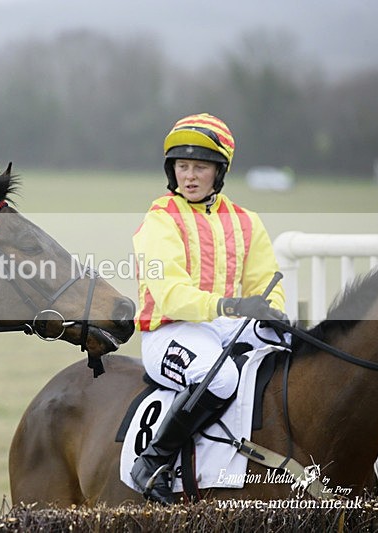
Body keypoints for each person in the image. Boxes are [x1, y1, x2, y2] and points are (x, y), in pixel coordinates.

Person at [130, 113, 287, 504]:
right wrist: (229, 305)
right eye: (182, 166)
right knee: (219, 379)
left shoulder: (248, 222)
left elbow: (265, 283)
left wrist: (272, 312)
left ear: (219, 171)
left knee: (290, 348)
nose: (190, 176)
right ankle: (152, 462)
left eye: (200, 166)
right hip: (169, 330)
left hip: (225, 325)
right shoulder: (160, 219)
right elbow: (170, 294)